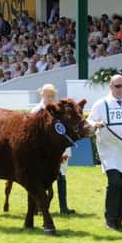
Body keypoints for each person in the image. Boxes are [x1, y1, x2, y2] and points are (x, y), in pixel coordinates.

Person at [88, 74, 122, 231]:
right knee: (115, 183)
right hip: (109, 149)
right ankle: (110, 220)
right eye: (117, 86)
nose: (120, 89)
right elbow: (90, 121)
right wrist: (96, 124)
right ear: (111, 87)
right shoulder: (101, 104)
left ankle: (119, 220)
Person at [32, 84, 75, 214]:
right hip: (40, 152)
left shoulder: (58, 111)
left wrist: (66, 151)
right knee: (39, 179)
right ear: (42, 95)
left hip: (57, 151)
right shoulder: (36, 111)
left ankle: (64, 207)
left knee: (61, 176)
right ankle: (37, 207)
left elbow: (64, 133)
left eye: (52, 96)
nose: (49, 98)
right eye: (47, 95)